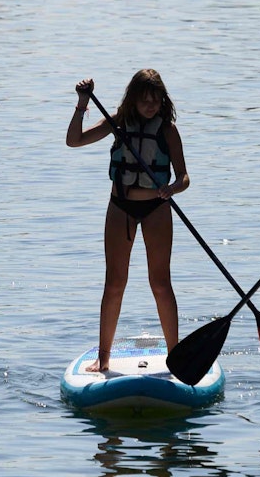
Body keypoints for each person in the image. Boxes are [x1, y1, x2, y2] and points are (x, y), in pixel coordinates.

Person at [65, 69, 191, 373]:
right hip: (120, 207)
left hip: (157, 209)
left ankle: (175, 356)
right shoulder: (117, 122)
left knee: (160, 282)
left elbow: (184, 178)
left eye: (155, 100)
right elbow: (74, 141)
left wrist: (171, 188)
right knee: (114, 283)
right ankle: (104, 358)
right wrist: (82, 103)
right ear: (133, 100)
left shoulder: (168, 130)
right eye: (144, 100)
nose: (149, 106)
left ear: (162, 100)